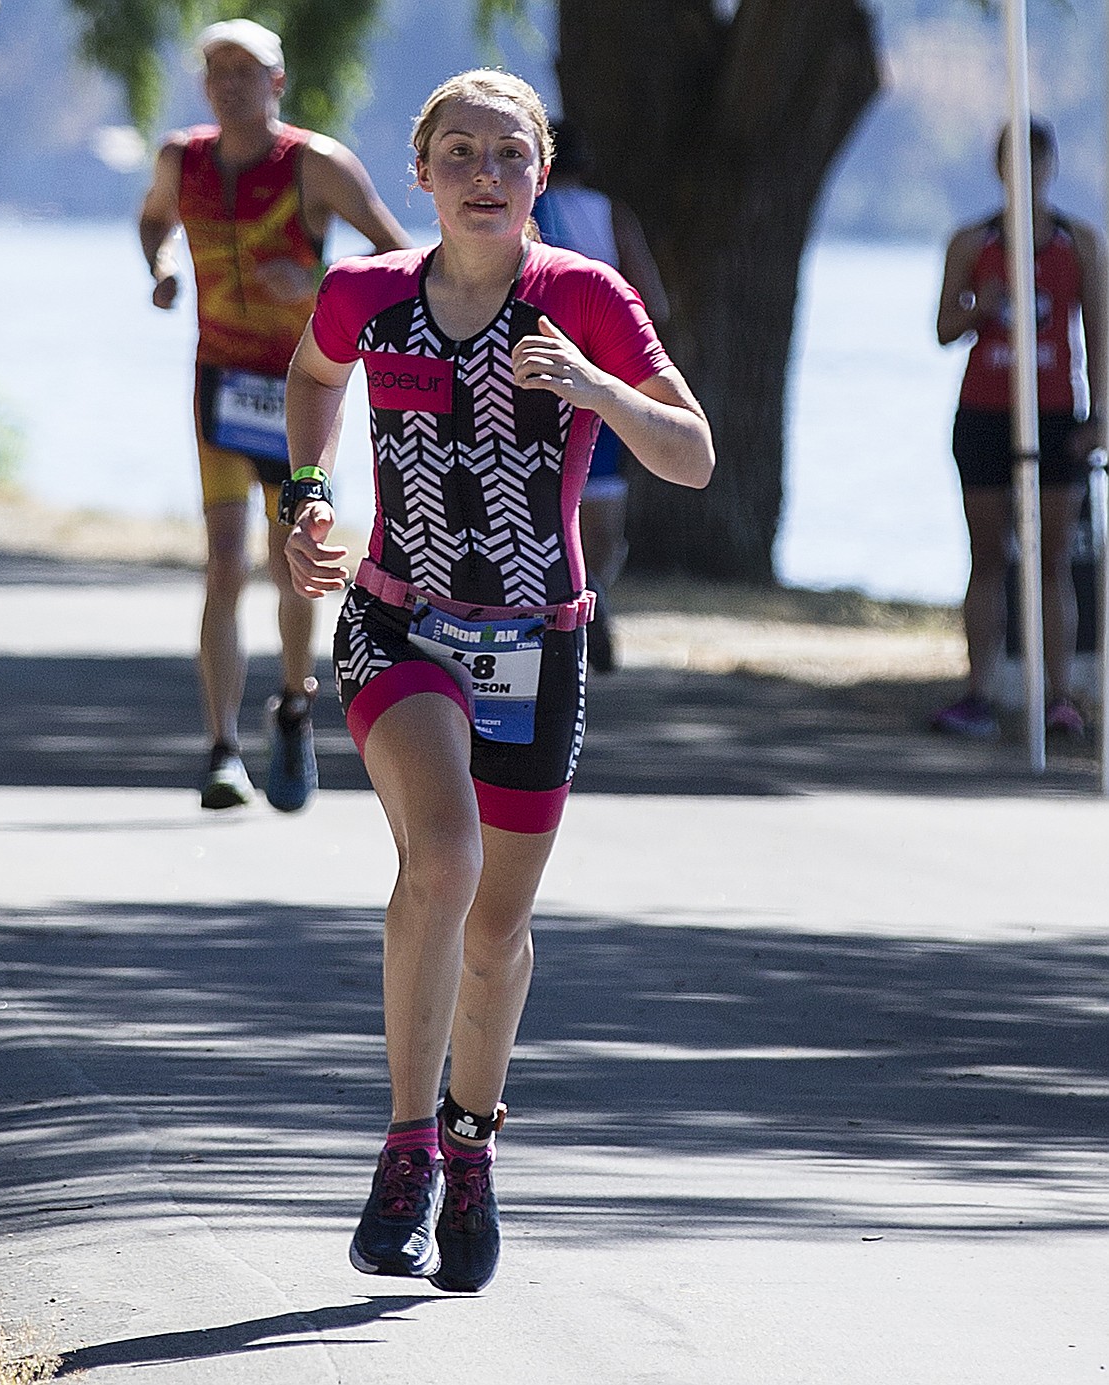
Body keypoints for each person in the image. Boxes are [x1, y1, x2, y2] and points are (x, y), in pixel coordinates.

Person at [281, 69, 714, 1292]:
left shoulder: (585, 296)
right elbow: (313, 377)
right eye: (459, 154)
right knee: (445, 860)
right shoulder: (367, 292)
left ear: (541, 175)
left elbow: (690, 455)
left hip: (540, 637)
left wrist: (596, 387)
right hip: (399, 622)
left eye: (509, 156)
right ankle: (407, 1147)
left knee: (498, 928)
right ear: (419, 174)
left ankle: (472, 1142)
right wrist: (307, 500)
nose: (484, 174)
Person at [138, 18, 411, 810]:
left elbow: (398, 257)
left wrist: (319, 274)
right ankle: (222, 749)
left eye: (246, 71)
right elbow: (155, 219)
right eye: (217, 70)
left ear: (277, 83)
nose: (230, 83)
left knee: (296, 553)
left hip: (300, 388)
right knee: (224, 562)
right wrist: (158, 267)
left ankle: (294, 702)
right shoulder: (179, 159)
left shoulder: (317, 165)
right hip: (219, 382)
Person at [934, 118, 1106, 741]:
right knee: (988, 556)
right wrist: (983, 305)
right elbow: (944, 327)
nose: (1026, 175)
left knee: (1053, 558)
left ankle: (1060, 696)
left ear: (1050, 167)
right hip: (984, 412)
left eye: (1036, 163)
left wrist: (1101, 418)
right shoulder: (972, 240)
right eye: (1015, 162)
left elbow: (1099, 334)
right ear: (1000, 167)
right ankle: (979, 691)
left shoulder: (1078, 242)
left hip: (1058, 413)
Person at [531, 121, 670, 672]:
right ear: (586, 167)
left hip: (535, 380)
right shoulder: (613, 215)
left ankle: (558, 610)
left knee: (541, 502)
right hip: (603, 383)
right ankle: (598, 595)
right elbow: (654, 301)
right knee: (604, 512)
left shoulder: (519, 214)